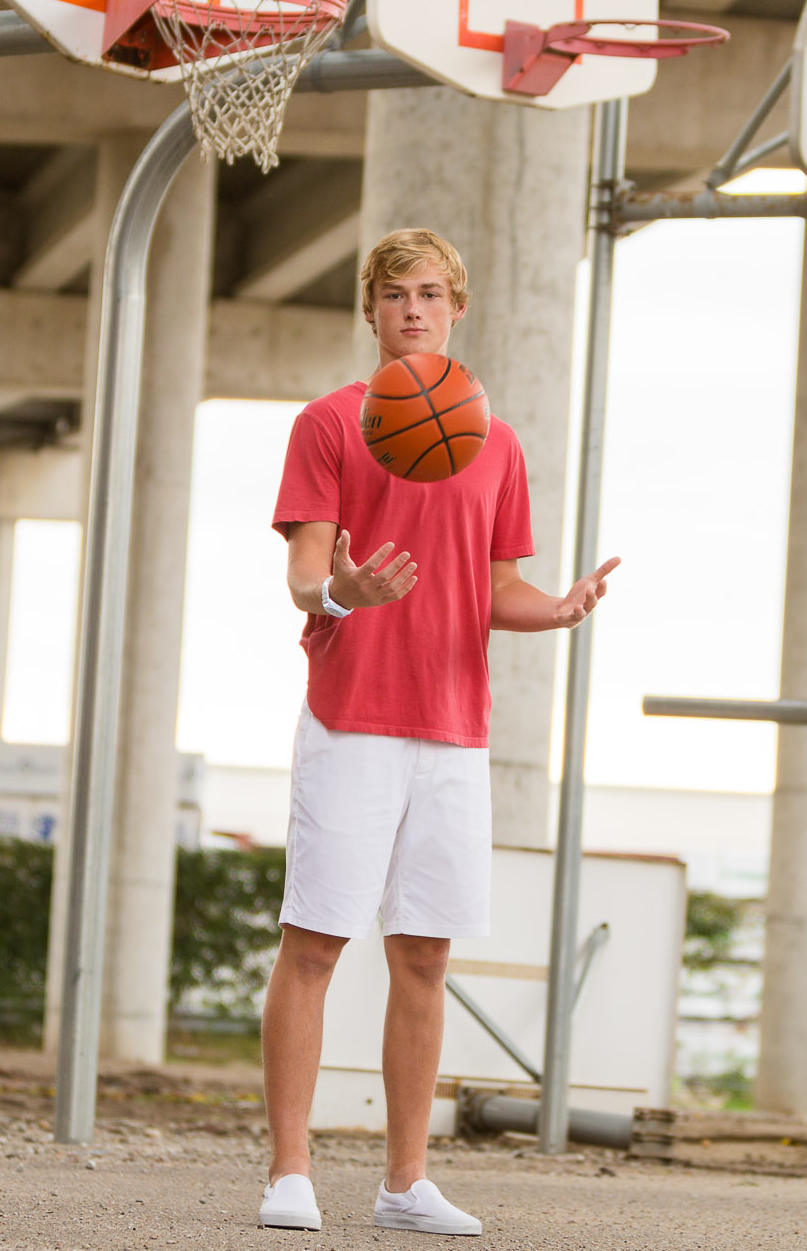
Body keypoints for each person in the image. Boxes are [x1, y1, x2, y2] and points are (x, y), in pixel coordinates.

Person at [258, 228, 619, 1235]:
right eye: (392, 295)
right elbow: (302, 572)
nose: (411, 309)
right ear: (369, 310)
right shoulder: (328, 423)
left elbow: (496, 585)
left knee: (423, 957)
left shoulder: (494, 440)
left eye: (428, 293)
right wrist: (345, 587)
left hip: (456, 730)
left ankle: (403, 1181)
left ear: (457, 307)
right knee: (315, 941)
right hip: (352, 718)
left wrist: (557, 607)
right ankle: (291, 1170)